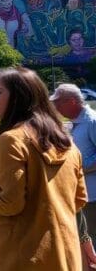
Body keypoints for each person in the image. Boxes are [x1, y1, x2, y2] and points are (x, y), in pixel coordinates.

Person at [0, 67, 87, 270]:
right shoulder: (66, 141)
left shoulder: (12, 139)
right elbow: (79, 199)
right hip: (64, 253)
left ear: (18, 97)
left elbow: (11, 203)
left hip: (21, 257)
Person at [51, 83, 96, 242]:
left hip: (93, 198)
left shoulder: (91, 121)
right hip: (83, 197)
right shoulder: (77, 122)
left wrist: (77, 168)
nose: (55, 107)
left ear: (71, 101)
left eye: (58, 103)